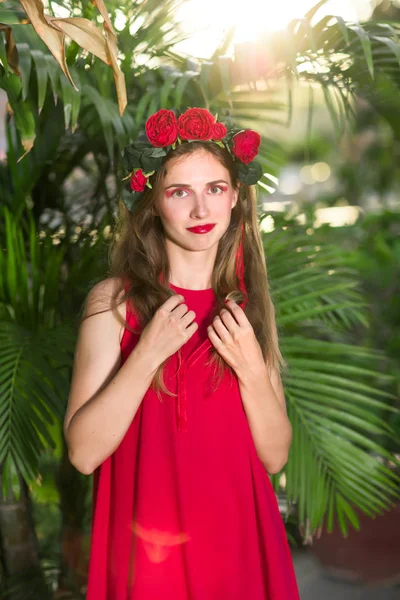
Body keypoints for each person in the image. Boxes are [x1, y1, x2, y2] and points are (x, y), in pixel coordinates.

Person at [64, 107, 300, 599]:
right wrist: (147, 353)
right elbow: (83, 453)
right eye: (179, 192)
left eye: (215, 188)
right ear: (152, 203)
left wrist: (252, 369)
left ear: (235, 197)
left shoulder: (246, 310)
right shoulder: (114, 302)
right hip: (150, 559)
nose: (200, 210)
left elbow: (275, 455)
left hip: (237, 550)